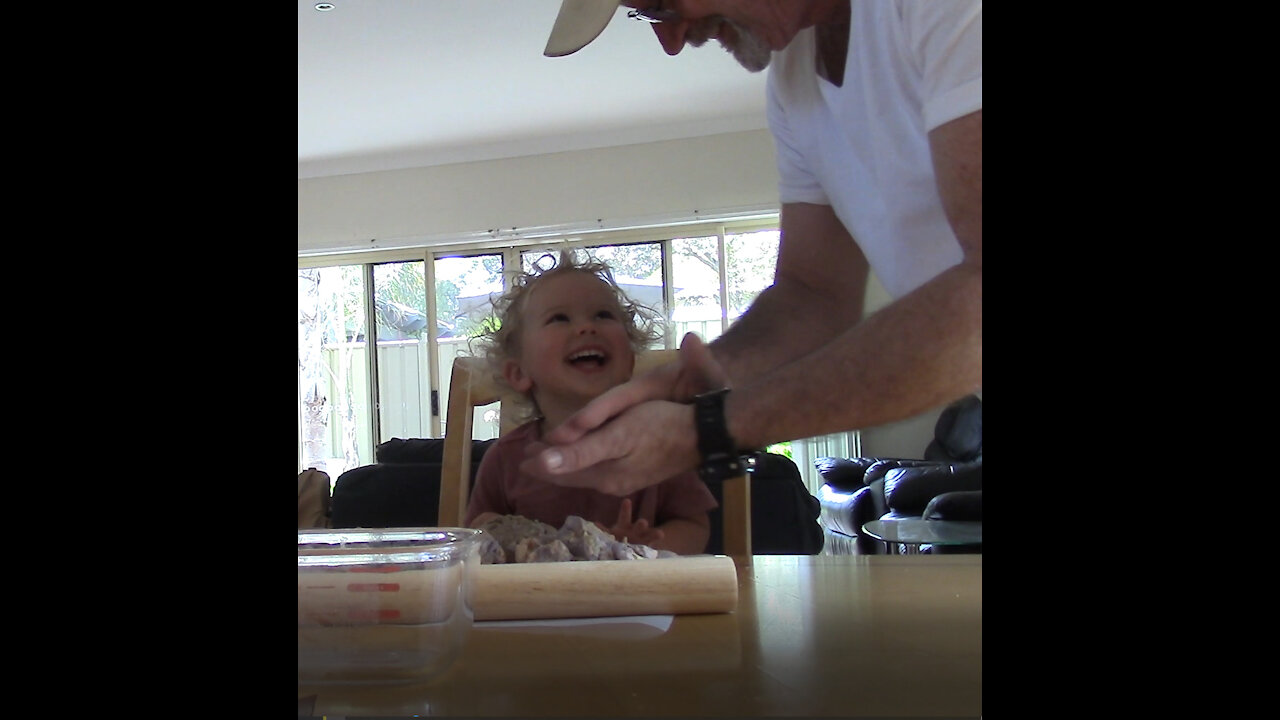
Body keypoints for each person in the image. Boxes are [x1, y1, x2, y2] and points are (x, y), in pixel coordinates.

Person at [523, 0, 982, 496]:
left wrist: (713, 427)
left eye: (662, 6)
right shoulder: (794, 80)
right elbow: (812, 294)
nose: (673, 40)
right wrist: (698, 383)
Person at [463, 250, 717, 555]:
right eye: (559, 318)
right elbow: (473, 537)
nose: (587, 327)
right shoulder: (504, 460)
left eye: (603, 315)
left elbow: (694, 527)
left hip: (637, 599)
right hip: (536, 602)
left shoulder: (657, 443)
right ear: (519, 372)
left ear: (629, 362)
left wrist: (642, 548)